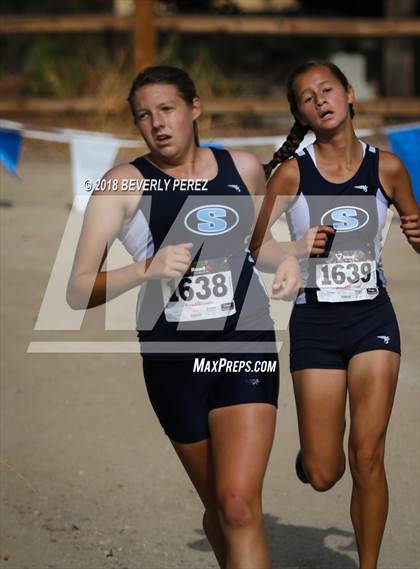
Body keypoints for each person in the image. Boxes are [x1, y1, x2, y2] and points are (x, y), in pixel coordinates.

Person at [67, 65, 299, 569]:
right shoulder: (122, 185)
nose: (157, 124)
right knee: (219, 505)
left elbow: (260, 247)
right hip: (173, 359)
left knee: (239, 504)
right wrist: (145, 269)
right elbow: (77, 290)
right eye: (144, 116)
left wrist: (288, 267)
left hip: (245, 344)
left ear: (194, 108)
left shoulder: (243, 168)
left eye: (167, 109)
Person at [257, 61, 420, 569]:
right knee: (327, 472)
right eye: (307, 97)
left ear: (350, 94)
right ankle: (311, 457)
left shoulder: (388, 167)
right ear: (300, 114)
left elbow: (417, 226)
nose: (320, 100)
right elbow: (255, 245)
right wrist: (294, 250)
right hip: (316, 325)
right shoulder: (292, 172)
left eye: (327, 89)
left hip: (372, 319)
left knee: (367, 454)